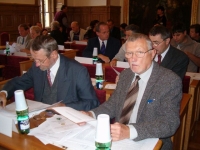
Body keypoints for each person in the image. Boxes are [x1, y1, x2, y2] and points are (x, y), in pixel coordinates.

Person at [82, 33, 182, 150]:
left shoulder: (169, 81)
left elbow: (169, 123)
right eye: (129, 53)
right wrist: (91, 114)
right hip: (119, 142)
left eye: (139, 52)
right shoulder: (125, 75)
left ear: (152, 53)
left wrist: (130, 131)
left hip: (151, 142)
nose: (133, 59)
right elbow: (112, 105)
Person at [0, 35, 99, 111]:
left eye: (40, 60)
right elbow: (18, 82)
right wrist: (4, 93)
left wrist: (65, 106)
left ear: (54, 54)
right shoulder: (37, 67)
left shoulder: (77, 71)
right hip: (42, 118)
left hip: (66, 121)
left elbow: (92, 102)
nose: (37, 64)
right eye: (34, 60)